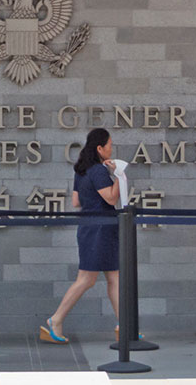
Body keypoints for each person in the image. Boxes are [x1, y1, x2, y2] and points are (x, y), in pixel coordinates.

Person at [41, 128, 120, 344]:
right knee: (87, 279)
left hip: (89, 227)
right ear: (99, 148)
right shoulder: (99, 171)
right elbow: (112, 199)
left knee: (112, 277)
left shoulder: (82, 171)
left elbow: (76, 202)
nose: (112, 149)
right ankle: (55, 320)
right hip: (101, 228)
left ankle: (125, 326)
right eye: (110, 145)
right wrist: (119, 176)